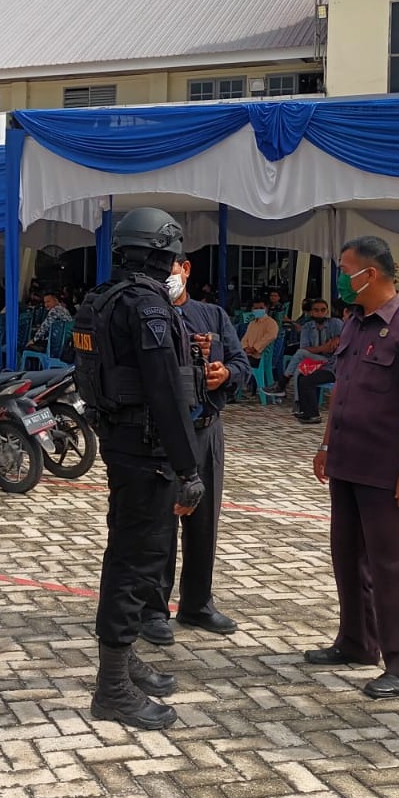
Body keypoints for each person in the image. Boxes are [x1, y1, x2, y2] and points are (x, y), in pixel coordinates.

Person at [72, 207, 205, 730]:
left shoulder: (101, 300)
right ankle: (111, 689)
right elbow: (167, 393)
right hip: (148, 449)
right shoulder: (148, 308)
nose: (176, 265)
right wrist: (187, 467)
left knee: (127, 552)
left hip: (121, 441)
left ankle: (123, 663)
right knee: (138, 562)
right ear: (159, 253)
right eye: (172, 256)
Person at [304, 236, 399, 700]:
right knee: (348, 557)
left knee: (396, 567)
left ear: (372, 274)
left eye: (346, 268)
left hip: (387, 468)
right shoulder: (355, 324)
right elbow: (341, 386)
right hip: (347, 460)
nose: (341, 277)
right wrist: (325, 442)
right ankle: (357, 642)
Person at [139, 251, 253, 646]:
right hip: (166, 433)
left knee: (204, 521)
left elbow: (242, 364)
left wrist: (226, 373)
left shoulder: (214, 316)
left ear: (185, 270)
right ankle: (154, 609)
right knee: (163, 520)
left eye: (171, 269)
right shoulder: (147, 315)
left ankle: (197, 603)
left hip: (208, 428)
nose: (166, 278)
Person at [291, 299, 342, 423]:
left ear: (327, 311)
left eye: (323, 310)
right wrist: (322, 348)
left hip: (333, 367)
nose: (320, 313)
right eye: (316, 310)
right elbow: (305, 348)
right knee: (301, 375)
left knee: (307, 380)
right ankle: (305, 411)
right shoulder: (307, 327)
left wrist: (338, 337)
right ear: (311, 313)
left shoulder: (336, 323)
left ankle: (313, 414)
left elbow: (347, 337)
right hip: (314, 362)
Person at [240, 297, 279, 362]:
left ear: (266, 308)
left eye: (261, 308)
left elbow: (270, 337)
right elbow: (245, 338)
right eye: (255, 308)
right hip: (247, 354)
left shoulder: (271, 323)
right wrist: (245, 347)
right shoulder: (252, 322)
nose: (258, 310)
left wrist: (255, 348)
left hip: (260, 356)